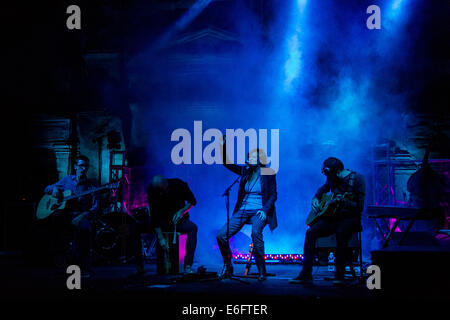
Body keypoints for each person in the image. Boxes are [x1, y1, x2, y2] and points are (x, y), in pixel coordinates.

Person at [290, 157, 365, 285]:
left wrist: (344, 201)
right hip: (334, 217)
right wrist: (315, 198)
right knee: (311, 232)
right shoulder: (332, 178)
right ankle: (306, 273)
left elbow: (360, 206)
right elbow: (323, 189)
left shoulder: (357, 179)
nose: (328, 178)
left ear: (337, 171)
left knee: (342, 232)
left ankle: (339, 274)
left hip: (351, 218)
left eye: (329, 175)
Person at [216, 136, 277, 281]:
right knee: (221, 235)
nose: (252, 158)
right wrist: (222, 146)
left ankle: (262, 269)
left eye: (255, 156)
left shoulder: (268, 172)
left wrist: (265, 210)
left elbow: (274, 194)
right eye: (250, 156)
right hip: (243, 209)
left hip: (259, 211)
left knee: (256, 234)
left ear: (260, 158)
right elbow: (227, 163)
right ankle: (227, 263)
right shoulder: (245, 172)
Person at [43, 155, 99, 275]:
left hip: (81, 215)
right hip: (65, 214)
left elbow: (95, 207)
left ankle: (84, 266)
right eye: (81, 166)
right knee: (55, 218)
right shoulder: (67, 180)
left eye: (86, 166)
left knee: (85, 229)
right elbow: (47, 188)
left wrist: (83, 215)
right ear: (75, 167)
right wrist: (53, 190)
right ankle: (60, 255)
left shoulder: (91, 186)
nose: (83, 168)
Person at [143, 175, 198, 274]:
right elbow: (154, 215)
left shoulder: (179, 184)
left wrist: (181, 212)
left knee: (193, 228)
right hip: (161, 222)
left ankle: (188, 266)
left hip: (177, 221)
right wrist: (161, 238)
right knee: (135, 227)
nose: (161, 193)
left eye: (162, 190)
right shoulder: (151, 189)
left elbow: (192, 201)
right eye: (158, 191)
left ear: (167, 185)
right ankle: (139, 267)